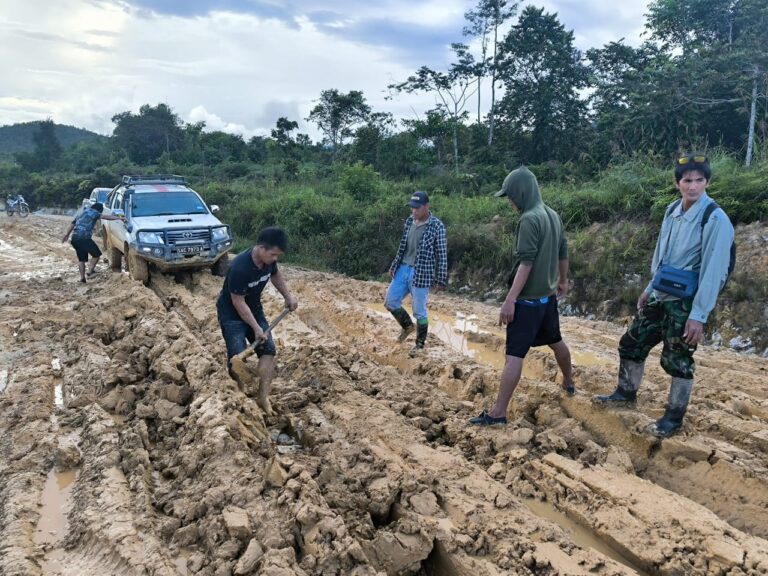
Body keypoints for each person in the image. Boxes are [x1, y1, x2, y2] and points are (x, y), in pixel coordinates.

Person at [595, 153, 734, 438]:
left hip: (687, 302)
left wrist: (699, 315)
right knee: (631, 343)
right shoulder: (672, 210)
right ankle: (625, 393)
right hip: (662, 294)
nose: (693, 186)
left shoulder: (715, 219)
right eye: (687, 180)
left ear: (707, 182)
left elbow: (714, 271)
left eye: (699, 180)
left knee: (678, 360)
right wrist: (649, 288)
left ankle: (673, 417)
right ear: (677, 183)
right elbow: (662, 256)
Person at [470, 166, 574, 427]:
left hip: (527, 302)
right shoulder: (552, 214)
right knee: (556, 341)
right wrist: (562, 280)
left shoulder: (529, 219)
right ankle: (569, 383)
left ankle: (497, 413)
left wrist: (510, 300)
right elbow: (563, 252)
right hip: (547, 299)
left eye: (510, 195)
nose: (509, 201)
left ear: (521, 192)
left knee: (514, 355)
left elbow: (525, 264)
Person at [216, 227, 298, 416]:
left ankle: (262, 397)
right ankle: (240, 396)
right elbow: (238, 301)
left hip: (254, 307)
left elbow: (275, 275)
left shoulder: (269, 262)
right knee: (237, 358)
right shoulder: (239, 267)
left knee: (268, 350)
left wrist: (288, 296)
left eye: (278, 255)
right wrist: (256, 328)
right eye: (273, 254)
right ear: (261, 248)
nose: (275, 258)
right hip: (231, 313)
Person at [385, 191, 448, 356]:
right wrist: (394, 265)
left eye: (417, 208)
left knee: (419, 311)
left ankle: (420, 345)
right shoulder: (409, 222)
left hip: (421, 273)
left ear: (427, 206)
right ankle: (407, 327)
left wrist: (441, 279)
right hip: (403, 268)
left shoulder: (437, 226)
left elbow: (441, 254)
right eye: (412, 208)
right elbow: (402, 247)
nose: (414, 211)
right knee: (390, 301)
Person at [61, 202, 123, 283]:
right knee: (96, 255)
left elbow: (72, 224)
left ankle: (82, 278)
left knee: (81, 260)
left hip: (75, 238)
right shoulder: (94, 213)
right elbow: (106, 217)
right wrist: (119, 218)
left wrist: (67, 235)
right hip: (84, 238)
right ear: (99, 210)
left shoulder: (82, 212)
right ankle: (90, 271)